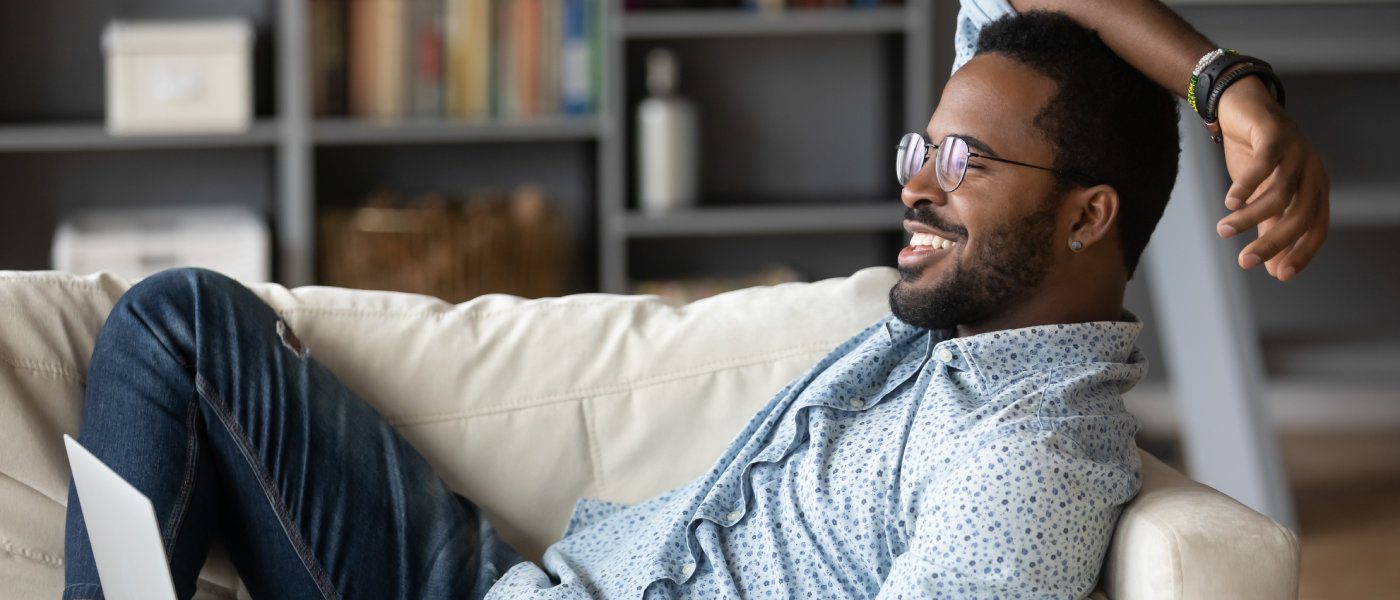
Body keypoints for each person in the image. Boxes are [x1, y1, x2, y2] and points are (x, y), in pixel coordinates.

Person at [63, 4, 1328, 600]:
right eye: (921, 150)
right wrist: (1226, 83)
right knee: (181, 324)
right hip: (512, 582)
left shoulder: (1026, 463)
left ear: (1087, 217)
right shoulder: (980, 312)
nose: (917, 191)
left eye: (963, 164)